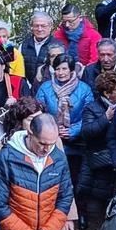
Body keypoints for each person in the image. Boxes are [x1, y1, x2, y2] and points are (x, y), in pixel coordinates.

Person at [78, 71, 116, 230]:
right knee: (84, 189)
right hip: (95, 155)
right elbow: (87, 131)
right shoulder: (92, 108)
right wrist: (105, 118)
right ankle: (82, 214)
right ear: (107, 93)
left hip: (115, 155)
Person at [36, 54, 92, 189]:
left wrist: (73, 130)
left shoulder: (84, 89)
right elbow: (38, 112)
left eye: (64, 69)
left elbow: (89, 115)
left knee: (73, 180)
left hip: (76, 143)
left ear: (71, 70)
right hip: (51, 140)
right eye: (58, 69)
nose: (60, 73)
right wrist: (53, 129)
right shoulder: (45, 87)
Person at [20, 10, 59, 87]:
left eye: (43, 26)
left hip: (50, 88)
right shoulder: (24, 45)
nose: (39, 29)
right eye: (36, 26)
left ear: (50, 26)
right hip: (28, 89)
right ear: (32, 27)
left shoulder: (57, 46)